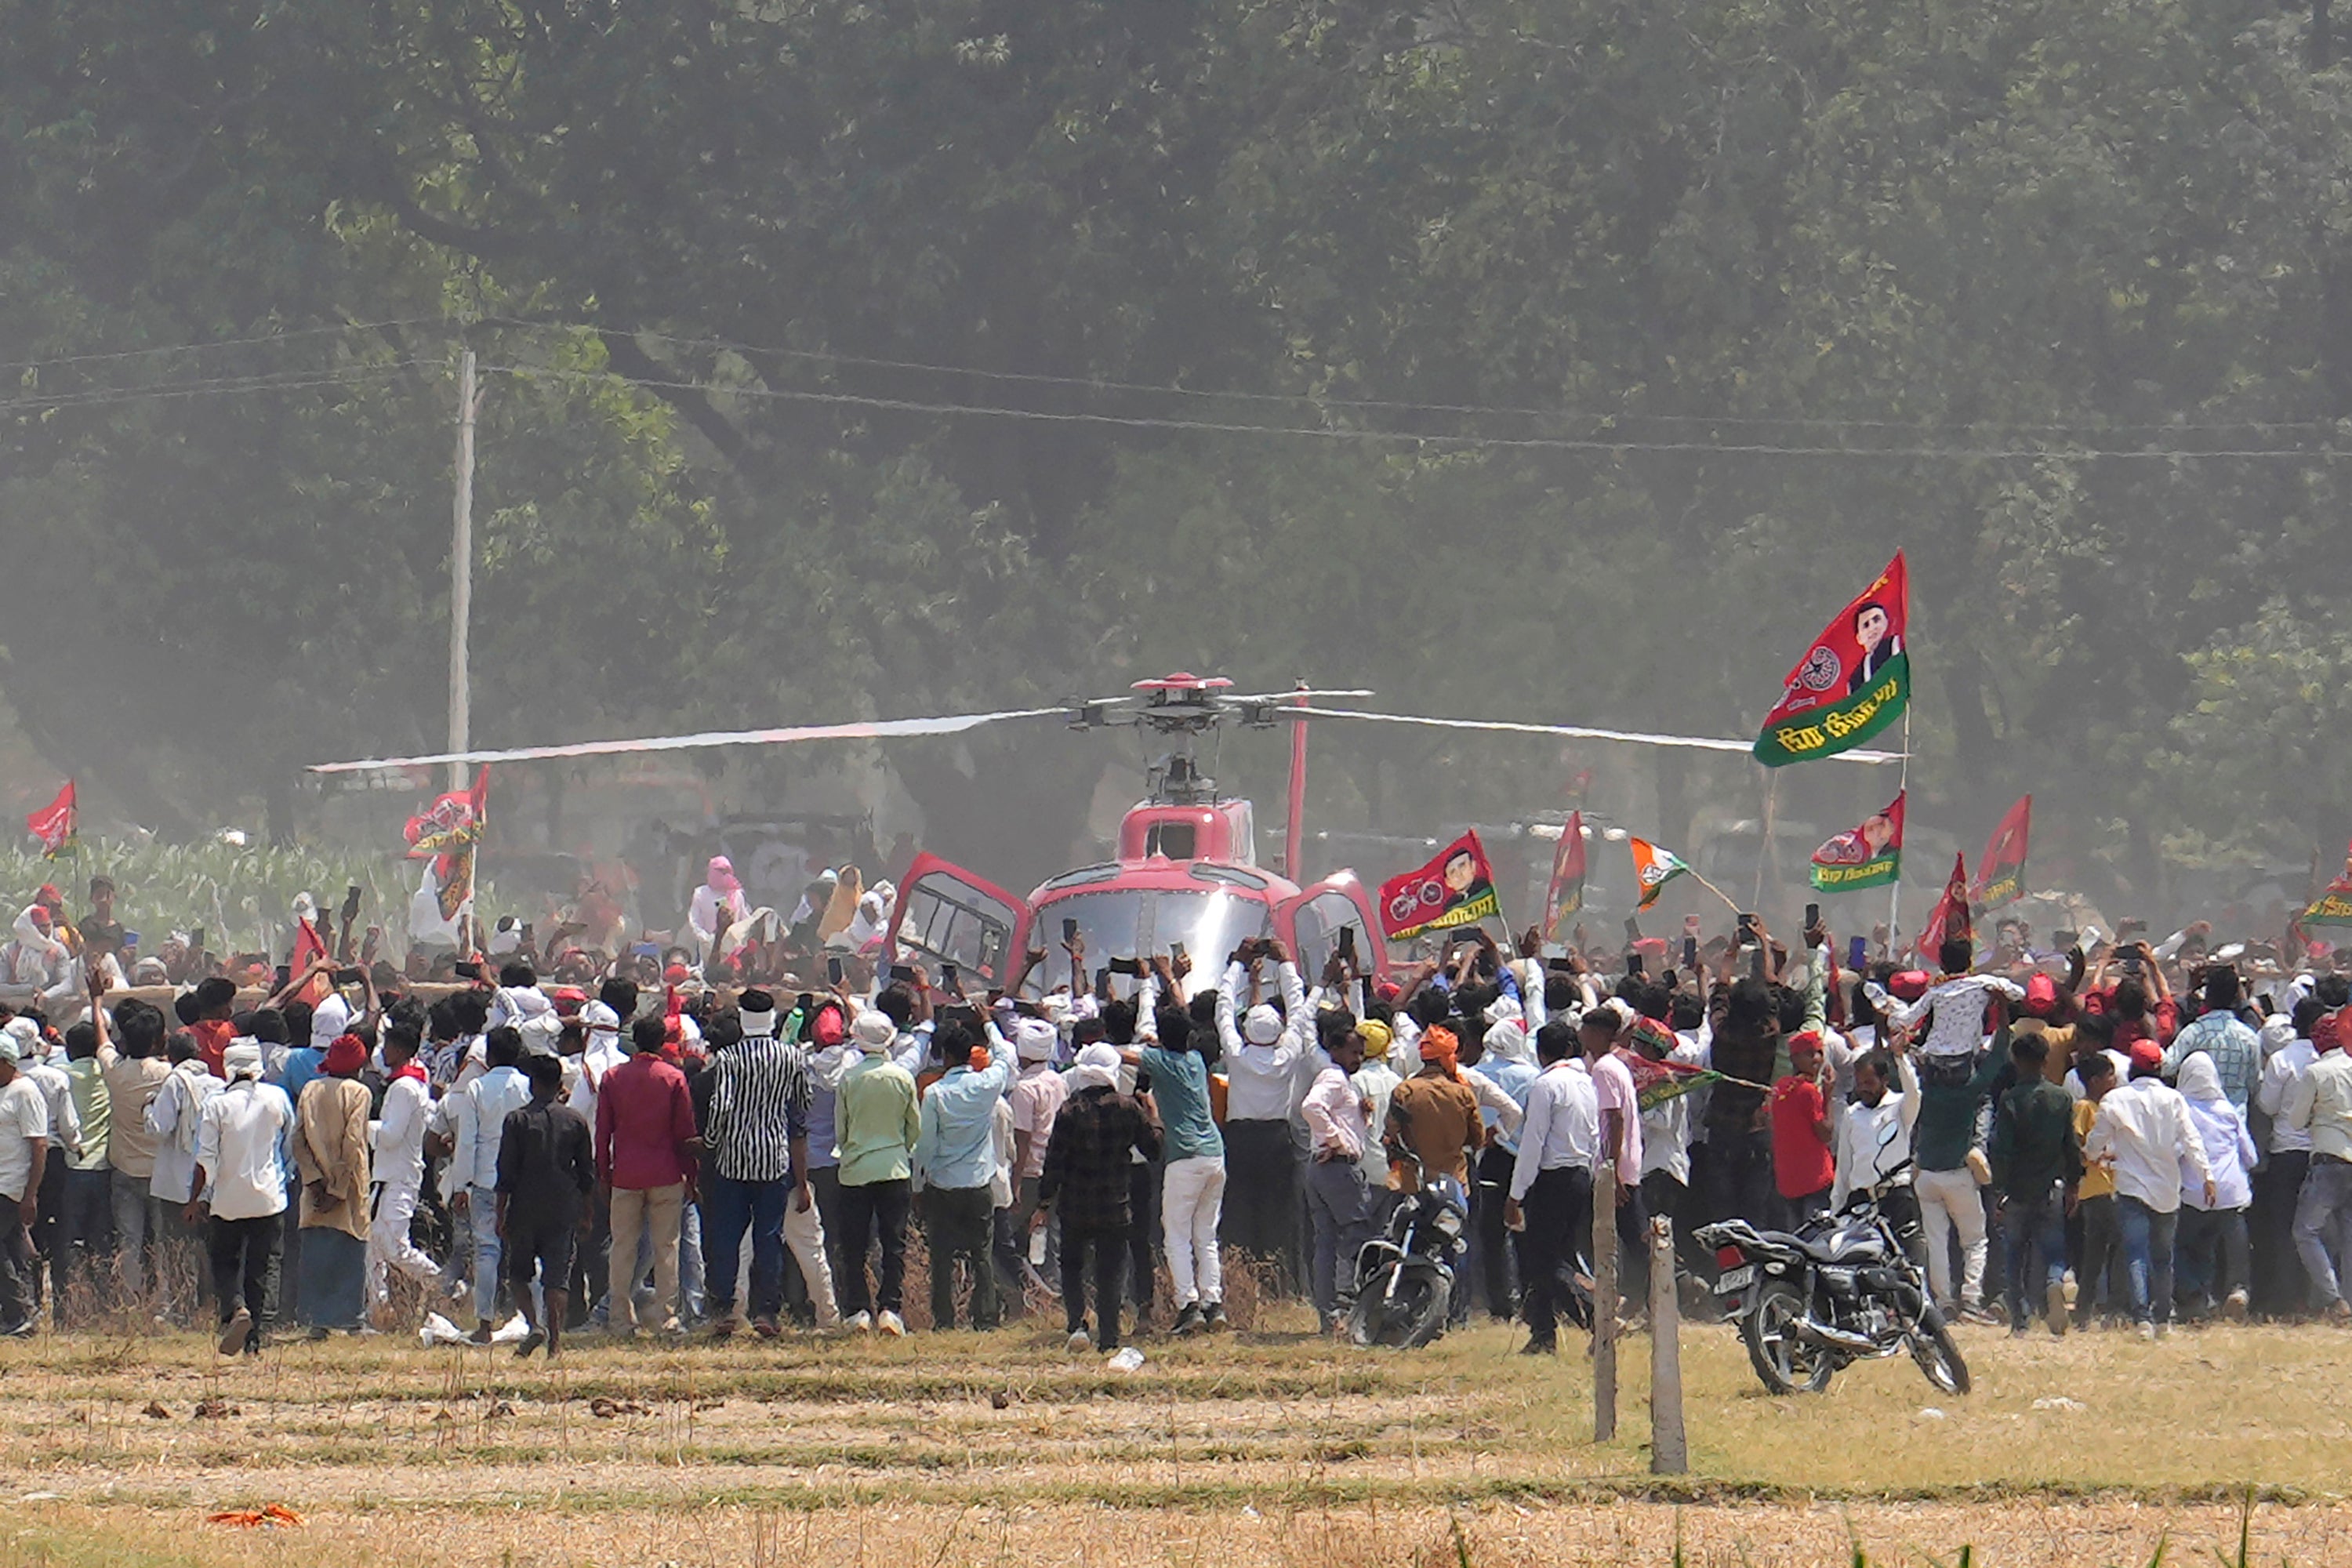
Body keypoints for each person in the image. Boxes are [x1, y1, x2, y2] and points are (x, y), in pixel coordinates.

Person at [702, 990, 837, 1338]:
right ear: (773, 1019)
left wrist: (713, 1143)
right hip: (774, 1159)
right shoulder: (790, 1057)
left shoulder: (729, 1059)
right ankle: (767, 1312)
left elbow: (722, 1108)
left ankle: (725, 1308)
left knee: (729, 1236)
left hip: (733, 1161)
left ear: (744, 1018)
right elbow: (802, 1104)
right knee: (769, 1237)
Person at [2085, 1040, 2215, 1338]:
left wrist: (2092, 1157)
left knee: (2135, 1254)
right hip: (2168, 1189)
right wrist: (2206, 1175)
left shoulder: (2115, 1100)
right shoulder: (2174, 1100)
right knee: (2163, 1257)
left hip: (2131, 1187)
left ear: (2133, 1067)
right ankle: (2163, 1319)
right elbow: (2192, 1140)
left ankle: (2142, 1318)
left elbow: (2096, 1140)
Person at [1039, 1043, 1160, 1352]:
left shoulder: (1068, 1110)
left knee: (1072, 1267)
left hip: (1075, 1203)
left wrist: (1043, 1203)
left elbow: (1054, 1161)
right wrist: (1154, 1115)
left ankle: (1077, 1325)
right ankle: (1109, 1337)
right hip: (1115, 1203)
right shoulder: (1127, 1108)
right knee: (1111, 1271)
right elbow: (1154, 1150)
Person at [1213, 941, 1311, 1296]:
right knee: (1276, 1212)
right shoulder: (1287, 1054)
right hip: (1276, 1139)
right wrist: (1286, 963)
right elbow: (1299, 1011)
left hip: (1239, 1140)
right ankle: (1277, 1284)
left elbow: (1223, 1010)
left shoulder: (1236, 1055)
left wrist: (1237, 965)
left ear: (1247, 1030)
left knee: (1238, 1210)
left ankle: (1239, 1282)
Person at [190, 1040, 294, 1356]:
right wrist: (283, 1178)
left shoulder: (216, 1104)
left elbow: (205, 1158)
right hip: (269, 1198)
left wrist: (195, 1198)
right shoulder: (277, 1097)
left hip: (227, 1199)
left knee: (225, 1261)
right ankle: (256, 1338)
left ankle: (236, 1308)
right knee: (264, 1266)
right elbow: (288, 1144)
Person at [597, 1014, 699, 1335]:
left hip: (625, 1173)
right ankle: (665, 1316)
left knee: (623, 1247)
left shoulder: (613, 1077)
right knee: (666, 1247)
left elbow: (603, 1133)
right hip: (665, 1172)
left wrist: (604, 1174)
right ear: (661, 1042)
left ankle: (619, 1318)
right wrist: (691, 1177)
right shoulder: (673, 1078)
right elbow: (685, 1133)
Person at [913, 1015, 1013, 1331]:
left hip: (943, 1184)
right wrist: (988, 1024)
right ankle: (986, 1318)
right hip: (979, 1182)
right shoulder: (987, 1085)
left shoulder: (935, 1094)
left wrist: (918, 1185)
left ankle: (944, 1320)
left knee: (941, 1256)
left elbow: (926, 1145)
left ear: (946, 1056)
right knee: (982, 1253)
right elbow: (1005, 1056)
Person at [1131, 1004, 1226, 1335]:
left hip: (1183, 1157)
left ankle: (1188, 1305)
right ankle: (1214, 1303)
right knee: (1206, 1235)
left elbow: (1127, 1057)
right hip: (1214, 1154)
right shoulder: (1196, 1062)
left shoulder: (1157, 1061)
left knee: (1176, 1236)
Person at [1504, 1021, 1598, 1355]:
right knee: (1560, 1255)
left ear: (1541, 1053)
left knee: (1543, 1259)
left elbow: (1533, 1144)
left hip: (1552, 1178)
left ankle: (1597, 1314)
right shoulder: (1587, 1083)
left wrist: (1516, 1194)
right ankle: (1543, 1333)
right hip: (1581, 1175)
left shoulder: (1546, 1085)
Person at [494, 1053, 595, 1358]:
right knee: (557, 1278)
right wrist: (587, 1214)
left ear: (532, 1083)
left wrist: (500, 1213)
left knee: (518, 1275)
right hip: (563, 1207)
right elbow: (586, 1174)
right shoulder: (575, 1120)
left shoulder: (517, 1120)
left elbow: (506, 1172)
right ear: (560, 1084)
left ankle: (533, 1324)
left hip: (525, 1207)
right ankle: (555, 1342)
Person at [833, 1010, 920, 1336]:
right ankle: (890, 1309)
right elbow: (914, 1127)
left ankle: (858, 1310)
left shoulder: (850, 1078)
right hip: (894, 1167)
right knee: (893, 1244)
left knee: (854, 1245)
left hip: (855, 1169)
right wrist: (898, 1149)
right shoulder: (902, 1077)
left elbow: (840, 1131)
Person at [1988, 1033, 2081, 1337]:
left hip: (2017, 1189)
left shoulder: (2010, 1099)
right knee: (2053, 1250)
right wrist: (2072, 1185)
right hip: (2051, 1186)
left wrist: (1999, 1190)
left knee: (2014, 1255)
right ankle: (2055, 1284)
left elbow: (2002, 1149)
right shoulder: (2062, 1098)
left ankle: (2020, 1322)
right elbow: (2070, 1145)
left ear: (2016, 1062)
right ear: (2045, 1061)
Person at [448, 1027, 533, 1340]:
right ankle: (533, 1321)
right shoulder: (527, 1087)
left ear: (491, 1056)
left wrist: (461, 1186)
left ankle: (484, 1324)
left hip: (485, 1179)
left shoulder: (477, 1089)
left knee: (487, 1250)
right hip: (522, 1180)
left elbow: (466, 1142)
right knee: (528, 1249)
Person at [292, 1033, 372, 1333]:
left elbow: (298, 1140)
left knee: (316, 1256)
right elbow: (353, 1143)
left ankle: (316, 1321)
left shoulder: (311, 1089)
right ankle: (351, 1321)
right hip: (348, 1188)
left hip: (314, 1191)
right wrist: (337, 1190)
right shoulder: (359, 1093)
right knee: (350, 1253)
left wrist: (314, 1182)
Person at [367, 1019, 446, 1319]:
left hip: (398, 1176)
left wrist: (360, 1126)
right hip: (390, 1175)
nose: (383, 1051)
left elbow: (390, 1135)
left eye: (387, 1046)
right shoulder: (410, 1081)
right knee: (373, 1247)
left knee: (393, 1247)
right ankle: (378, 1308)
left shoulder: (403, 1087)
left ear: (399, 1050)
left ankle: (440, 1282)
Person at [1300, 1014, 1373, 1333]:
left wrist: (1362, 1116)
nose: (1357, 1059)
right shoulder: (1334, 1078)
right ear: (1335, 1050)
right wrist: (1337, 1141)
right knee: (1354, 1238)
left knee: (1326, 1242)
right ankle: (1348, 1307)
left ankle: (1329, 1315)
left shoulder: (1342, 1080)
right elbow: (1311, 1108)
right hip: (1338, 1169)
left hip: (1321, 1167)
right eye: (1353, 1052)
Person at [96, 995, 172, 1303]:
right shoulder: (168, 1076)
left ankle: (131, 1301)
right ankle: (166, 1301)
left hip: (125, 1170)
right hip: (161, 1173)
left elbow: (101, 1037)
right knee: (163, 1243)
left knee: (129, 1242)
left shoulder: (115, 1072)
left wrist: (95, 997)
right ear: (157, 1042)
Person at [2174, 1052, 2256, 1322]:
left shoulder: (2181, 1108)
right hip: (2232, 1191)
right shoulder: (2227, 1110)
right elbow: (2251, 1157)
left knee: (2181, 1246)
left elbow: (2175, 1152)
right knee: (2228, 1246)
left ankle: (2198, 1295)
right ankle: (2238, 1290)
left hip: (2194, 1191)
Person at [2285, 1012, 2352, 1320]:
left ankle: (2333, 1298)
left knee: (2305, 1231)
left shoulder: (2316, 1072)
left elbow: (2296, 1121)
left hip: (2328, 1159)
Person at [999, 1017, 1068, 1298]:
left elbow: (1023, 1139)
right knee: (1052, 1236)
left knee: (1012, 1238)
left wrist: (1014, 1182)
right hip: (1057, 1169)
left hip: (1030, 1173)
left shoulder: (1024, 1090)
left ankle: (1028, 1296)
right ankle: (1055, 1290)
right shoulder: (1058, 1081)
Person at [56, 1018, 113, 1320]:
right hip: (103, 1167)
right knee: (102, 1240)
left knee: (70, 1239)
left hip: (72, 1166)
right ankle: (104, 1304)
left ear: (69, 1050)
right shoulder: (108, 1073)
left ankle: (70, 1305)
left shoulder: (61, 1075)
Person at [2071, 1051, 2126, 1328]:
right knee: (2118, 1247)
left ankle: (2085, 1310)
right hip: (2099, 1186)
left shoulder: (2108, 1105)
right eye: (2109, 1075)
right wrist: (2101, 1157)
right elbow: (2078, 1145)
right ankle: (2114, 1308)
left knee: (2096, 1252)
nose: (2114, 1080)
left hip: (2105, 1186)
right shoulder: (2085, 1107)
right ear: (2094, 1081)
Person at [0, 1033, 49, 1336]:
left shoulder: (25, 1093)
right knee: (17, 1252)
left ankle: (19, 1312)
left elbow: (39, 1145)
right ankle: (28, 1311)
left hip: (10, 1185)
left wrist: (30, 1194)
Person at [2163, 968, 2261, 1117]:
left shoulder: (2194, 1032)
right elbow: (2253, 1084)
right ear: (2237, 998)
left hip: (2197, 1121)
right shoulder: (2249, 1038)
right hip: (2234, 1123)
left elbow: (2167, 1067)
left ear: (2207, 996)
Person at [1769, 1029, 1835, 1231]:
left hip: (1789, 1180)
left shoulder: (1781, 1087)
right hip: (1815, 1178)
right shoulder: (1808, 1091)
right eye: (1810, 1053)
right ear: (1795, 1059)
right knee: (1815, 1238)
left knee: (1796, 1235)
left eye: (1819, 1052)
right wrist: (1828, 1095)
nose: (1817, 1058)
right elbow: (1826, 1133)